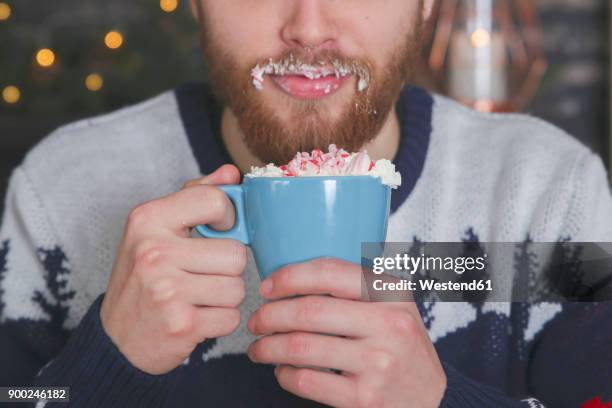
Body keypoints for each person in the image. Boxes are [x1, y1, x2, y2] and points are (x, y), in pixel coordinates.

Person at [0, 1, 610, 407]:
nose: (310, 28)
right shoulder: (63, 187)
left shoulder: (547, 192)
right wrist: (107, 360)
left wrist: (440, 400)